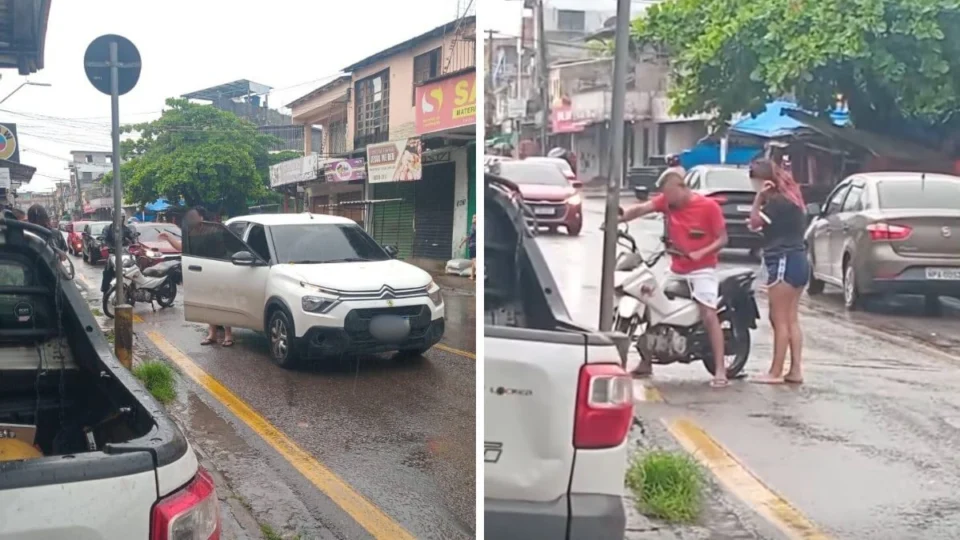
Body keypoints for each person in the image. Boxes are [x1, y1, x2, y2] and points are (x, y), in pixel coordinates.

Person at [619, 167, 730, 387]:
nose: (667, 200)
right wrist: (618, 217)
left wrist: (701, 252)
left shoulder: (708, 207)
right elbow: (641, 209)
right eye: (665, 196)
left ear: (682, 187)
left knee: (708, 313)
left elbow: (723, 239)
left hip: (702, 270)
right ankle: (646, 362)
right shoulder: (667, 202)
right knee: (651, 303)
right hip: (677, 268)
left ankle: (720, 370)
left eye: (670, 194)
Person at [748, 159, 807, 384]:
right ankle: (795, 370)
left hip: (783, 260)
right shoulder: (792, 200)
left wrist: (758, 199)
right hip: (798, 259)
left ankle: (775, 372)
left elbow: (755, 222)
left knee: (779, 318)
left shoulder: (776, 203)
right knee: (791, 319)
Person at [158, 206, 234, 348]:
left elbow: (224, 249)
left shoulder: (213, 229)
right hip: (201, 272)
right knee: (208, 304)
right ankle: (212, 334)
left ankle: (228, 335)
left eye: (193, 216)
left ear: (201, 217)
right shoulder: (190, 232)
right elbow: (181, 247)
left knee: (222, 303)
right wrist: (168, 237)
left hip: (218, 270)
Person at [458, 214, 477, 281]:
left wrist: (461, 243)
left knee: (475, 261)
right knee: (474, 262)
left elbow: (468, 236)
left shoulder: (473, 227)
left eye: (475, 217)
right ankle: (472, 276)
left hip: (473, 246)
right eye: (473, 217)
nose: (473, 219)